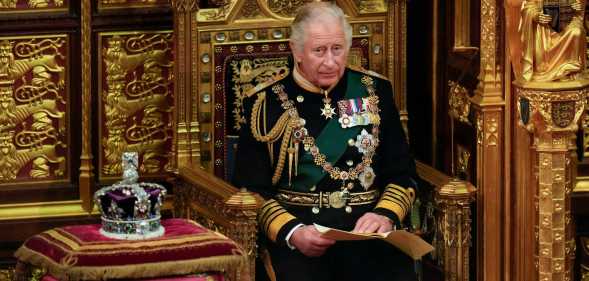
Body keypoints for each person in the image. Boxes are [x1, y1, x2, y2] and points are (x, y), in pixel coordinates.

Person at [232, 2, 418, 281]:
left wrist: (384, 215)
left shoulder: (375, 91)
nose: (330, 61)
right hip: (302, 237)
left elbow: (402, 173)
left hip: (368, 235)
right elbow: (251, 190)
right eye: (319, 51)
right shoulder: (265, 103)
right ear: (296, 51)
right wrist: (293, 233)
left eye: (337, 49)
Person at [518, 0, 585, 81]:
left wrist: (577, 8)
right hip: (544, 28)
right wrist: (536, 16)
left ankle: (569, 69)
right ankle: (546, 69)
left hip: (567, 23)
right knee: (541, 63)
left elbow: (577, 8)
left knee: (576, 32)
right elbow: (528, 8)